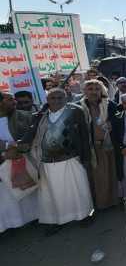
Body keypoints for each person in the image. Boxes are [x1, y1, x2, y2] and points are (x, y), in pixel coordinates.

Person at [19, 88, 94, 235]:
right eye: (53, 98)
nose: (57, 101)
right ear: (47, 100)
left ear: (66, 98)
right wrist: (22, 143)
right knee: (52, 194)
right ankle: (56, 220)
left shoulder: (75, 111)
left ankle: (84, 216)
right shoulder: (41, 115)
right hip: (47, 162)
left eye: (60, 98)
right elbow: (32, 131)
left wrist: (86, 157)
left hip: (71, 159)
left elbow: (84, 135)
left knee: (78, 190)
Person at [0, 91, 38, 233]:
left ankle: (35, 218)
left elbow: (33, 135)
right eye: (10, 99)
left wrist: (19, 148)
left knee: (29, 192)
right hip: (3, 165)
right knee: (7, 197)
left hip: (24, 160)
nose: (15, 102)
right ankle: (12, 224)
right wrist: (5, 153)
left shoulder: (25, 116)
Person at [79, 79, 120, 210]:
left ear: (101, 90)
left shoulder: (110, 105)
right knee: (97, 178)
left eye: (97, 89)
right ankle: (99, 204)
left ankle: (113, 202)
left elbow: (119, 121)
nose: (94, 92)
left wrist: (111, 124)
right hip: (92, 148)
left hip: (109, 147)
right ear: (84, 91)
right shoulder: (80, 107)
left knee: (111, 175)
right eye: (90, 89)